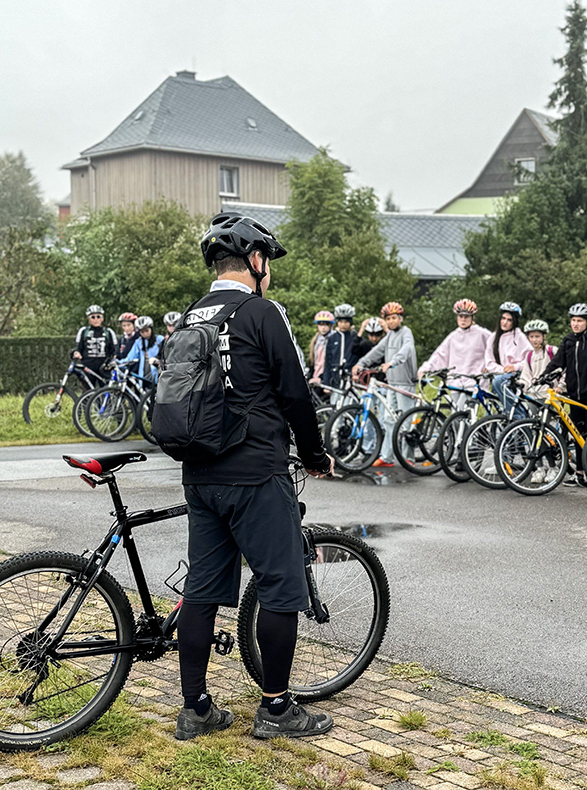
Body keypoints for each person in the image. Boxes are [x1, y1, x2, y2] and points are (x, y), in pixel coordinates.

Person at [176, 212, 334, 742]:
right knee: (280, 586)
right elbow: (294, 391)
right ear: (255, 260)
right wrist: (314, 454)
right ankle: (275, 708)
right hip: (256, 472)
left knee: (201, 589)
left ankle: (195, 709)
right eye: (268, 260)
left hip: (199, 474)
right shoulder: (262, 313)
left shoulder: (189, 317)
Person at [542, 304, 587, 486]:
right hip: (574, 393)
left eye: (580, 321)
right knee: (577, 433)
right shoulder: (568, 341)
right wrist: (543, 376)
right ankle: (580, 473)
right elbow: (558, 362)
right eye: (573, 320)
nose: (575, 324)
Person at [353, 302, 417, 468]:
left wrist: (393, 362)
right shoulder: (388, 337)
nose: (391, 321)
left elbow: (407, 348)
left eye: (394, 318)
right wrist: (360, 364)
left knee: (406, 422)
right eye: (388, 319)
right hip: (392, 384)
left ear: (400, 318)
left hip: (405, 383)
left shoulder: (406, 332)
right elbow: (376, 352)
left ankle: (408, 457)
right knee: (389, 420)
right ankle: (387, 457)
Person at [419, 300, 492, 398]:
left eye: (466, 317)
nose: (463, 319)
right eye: (460, 316)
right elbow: (440, 354)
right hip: (455, 381)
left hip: (474, 381)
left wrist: (491, 366)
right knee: (455, 412)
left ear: (472, 317)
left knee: (462, 410)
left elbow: (497, 349)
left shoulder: (482, 334)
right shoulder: (453, 336)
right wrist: (426, 369)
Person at [485, 302, 532, 413]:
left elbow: (530, 358)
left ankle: (517, 414)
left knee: (498, 382)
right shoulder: (493, 337)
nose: (505, 322)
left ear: (514, 322)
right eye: (503, 318)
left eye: (509, 320)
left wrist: (515, 367)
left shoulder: (519, 336)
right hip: (500, 374)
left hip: (516, 375)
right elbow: (489, 361)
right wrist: (502, 370)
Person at [323, 303, 357, 395]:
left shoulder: (355, 338)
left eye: (346, 322)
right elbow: (327, 361)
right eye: (340, 322)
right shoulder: (332, 338)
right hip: (335, 380)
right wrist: (326, 383)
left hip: (351, 379)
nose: (343, 325)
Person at [72, 304, 117, 375]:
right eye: (93, 317)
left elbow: (114, 350)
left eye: (98, 317)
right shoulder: (83, 331)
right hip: (87, 367)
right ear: (89, 319)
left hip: (104, 367)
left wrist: (113, 359)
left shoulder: (108, 332)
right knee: (87, 386)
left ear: (102, 318)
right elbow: (77, 347)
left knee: (105, 385)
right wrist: (76, 353)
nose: (96, 319)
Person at [520, 319, 559, 399]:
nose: (534, 340)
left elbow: (564, 371)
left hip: (550, 395)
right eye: (531, 337)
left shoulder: (552, 351)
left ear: (544, 336)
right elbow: (526, 376)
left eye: (537, 336)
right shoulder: (529, 355)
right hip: (533, 396)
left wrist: (560, 386)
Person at [122, 316, 163, 382]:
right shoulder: (139, 342)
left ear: (151, 329)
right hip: (144, 376)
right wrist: (117, 362)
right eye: (142, 332)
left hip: (159, 375)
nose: (145, 334)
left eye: (147, 330)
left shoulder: (160, 340)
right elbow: (130, 357)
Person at [307, 310, 334, 393]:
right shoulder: (316, 341)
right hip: (315, 376)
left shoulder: (333, 339)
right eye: (321, 324)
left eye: (326, 324)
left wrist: (322, 377)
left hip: (326, 377)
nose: (323, 327)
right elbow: (313, 361)